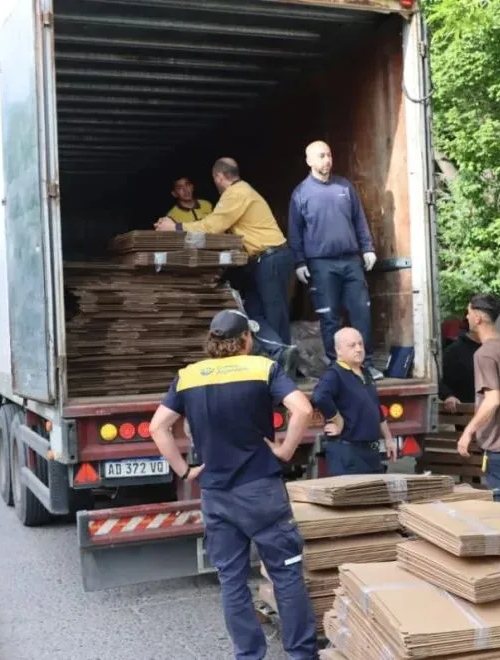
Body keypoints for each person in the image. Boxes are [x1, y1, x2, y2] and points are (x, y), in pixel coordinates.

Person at [147, 310, 317, 660]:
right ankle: (301, 654)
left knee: (232, 580)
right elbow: (301, 409)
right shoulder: (262, 368)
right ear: (245, 340)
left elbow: (157, 427)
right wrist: (285, 450)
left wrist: (183, 469)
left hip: (216, 495)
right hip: (261, 490)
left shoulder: (188, 376)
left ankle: (249, 654)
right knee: (286, 574)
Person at [155, 158, 295, 348]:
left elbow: (213, 226)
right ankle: (276, 352)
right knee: (253, 312)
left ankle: (283, 357)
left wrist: (176, 227)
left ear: (219, 177)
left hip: (270, 259)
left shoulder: (236, 194)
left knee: (274, 314)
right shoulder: (241, 191)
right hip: (259, 261)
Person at [287, 140, 382, 381]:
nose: (327, 160)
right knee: (329, 317)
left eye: (329, 155)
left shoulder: (344, 186)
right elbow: (295, 232)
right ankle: (336, 367)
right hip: (321, 264)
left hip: (351, 261)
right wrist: (299, 262)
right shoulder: (301, 193)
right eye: (321, 156)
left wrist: (367, 248)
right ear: (309, 161)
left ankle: (366, 365)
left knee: (361, 313)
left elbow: (359, 219)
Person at [456, 293, 500, 503]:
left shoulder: (484, 354)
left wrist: (468, 432)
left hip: (498, 443)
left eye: (468, 312)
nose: (467, 317)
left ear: (478, 318)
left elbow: (493, 400)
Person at [312, 327, 396, 475]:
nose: (358, 349)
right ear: (338, 350)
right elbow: (319, 396)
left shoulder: (365, 372)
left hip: (371, 453)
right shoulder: (334, 374)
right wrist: (337, 419)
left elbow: (376, 408)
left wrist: (388, 439)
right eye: (352, 345)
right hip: (348, 454)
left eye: (360, 344)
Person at [439, 318, 480, 412]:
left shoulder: (495, 349)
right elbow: (438, 381)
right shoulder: (453, 351)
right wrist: (448, 396)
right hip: (464, 413)